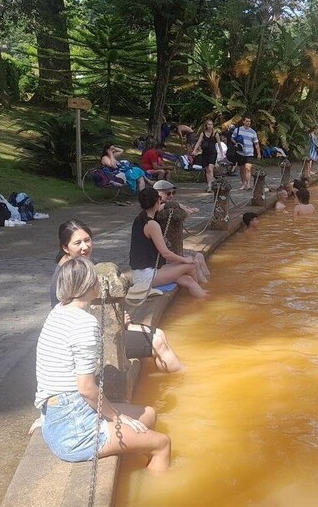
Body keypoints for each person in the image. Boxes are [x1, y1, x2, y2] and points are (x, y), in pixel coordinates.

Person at [36, 257, 172, 471]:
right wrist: (117, 417)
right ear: (91, 286)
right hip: (75, 427)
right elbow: (86, 388)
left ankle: (138, 466)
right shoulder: (84, 323)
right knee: (163, 444)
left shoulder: (57, 312)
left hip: (58, 414)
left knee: (150, 414)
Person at [50, 220, 184, 373]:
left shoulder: (85, 263)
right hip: (89, 336)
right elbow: (73, 316)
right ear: (65, 248)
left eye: (87, 240)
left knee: (159, 333)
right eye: (77, 243)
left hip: (102, 324)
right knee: (158, 343)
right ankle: (182, 377)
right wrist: (118, 322)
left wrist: (121, 318)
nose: (85, 247)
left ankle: (170, 379)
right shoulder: (66, 275)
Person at [130, 187, 207, 298]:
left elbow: (164, 206)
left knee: (188, 280)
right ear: (157, 201)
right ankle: (203, 291)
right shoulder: (152, 224)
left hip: (146, 271)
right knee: (191, 265)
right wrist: (185, 259)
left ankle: (201, 298)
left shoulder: (140, 218)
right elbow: (166, 254)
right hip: (146, 276)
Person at [191, 119, 223, 192]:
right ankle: (209, 183)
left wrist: (221, 153)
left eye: (211, 124)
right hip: (205, 153)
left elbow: (219, 143)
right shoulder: (203, 133)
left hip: (213, 153)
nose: (210, 126)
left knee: (210, 168)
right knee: (207, 169)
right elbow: (198, 142)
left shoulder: (215, 133)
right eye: (208, 124)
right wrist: (194, 150)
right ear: (206, 125)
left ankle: (210, 185)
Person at [232, 117, 261, 190]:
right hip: (240, 152)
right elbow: (232, 138)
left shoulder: (253, 132)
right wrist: (236, 143)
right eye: (247, 121)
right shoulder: (238, 130)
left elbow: (256, 143)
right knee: (241, 169)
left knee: (248, 168)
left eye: (249, 121)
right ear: (243, 122)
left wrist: (258, 153)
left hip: (249, 152)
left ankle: (248, 184)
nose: (248, 123)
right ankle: (243, 183)